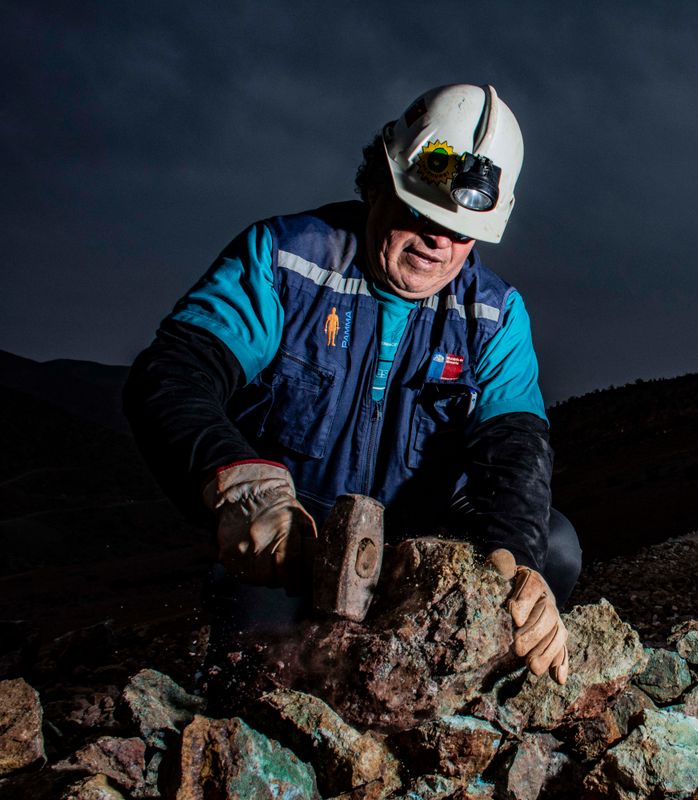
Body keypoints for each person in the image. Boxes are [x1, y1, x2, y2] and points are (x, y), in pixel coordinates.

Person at [124, 84, 576, 684]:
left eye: (462, 231)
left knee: (556, 547)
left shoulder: (493, 314)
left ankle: (466, 698)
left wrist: (515, 561)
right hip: (299, 534)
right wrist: (240, 486)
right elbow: (173, 375)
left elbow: (515, 446)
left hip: (424, 536)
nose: (439, 242)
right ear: (378, 184)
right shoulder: (285, 261)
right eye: (422, 212)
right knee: (256, 652)